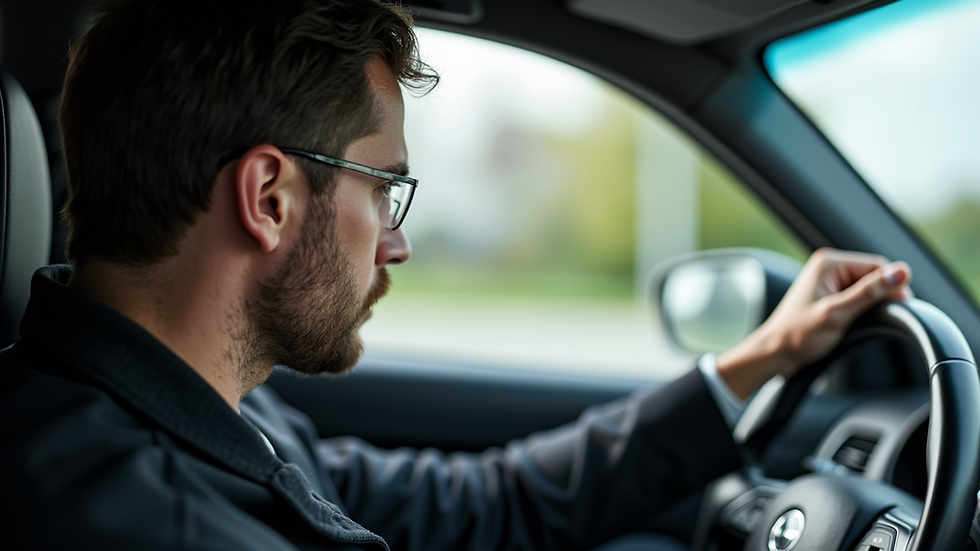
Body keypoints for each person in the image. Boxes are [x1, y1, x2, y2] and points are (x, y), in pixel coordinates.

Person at [0, 0, 913, 549]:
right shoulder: (145, 522)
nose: (396, 242)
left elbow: (487, 505)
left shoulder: (214, 408)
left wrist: (756, 360)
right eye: (385, 185)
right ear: (270, 197)